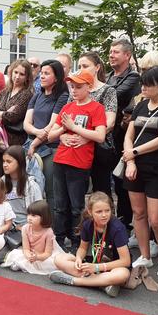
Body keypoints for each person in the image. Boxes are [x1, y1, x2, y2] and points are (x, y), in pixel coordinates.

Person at [122, 66, 158, 276]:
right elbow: (129, 134)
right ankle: (145, 255)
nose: (143, 87)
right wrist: (131, 160)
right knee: (139, 214)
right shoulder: (141, 105)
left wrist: (134, 152)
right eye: (142, 83)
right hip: (135, 166)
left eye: (148, 84)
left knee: (157, 219)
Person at [48, 70, 107, 249]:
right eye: (72, 86)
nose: (74, 90)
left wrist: (74, 128)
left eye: (78, 87)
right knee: (60, 205)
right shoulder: (68, 107)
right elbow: (51, 135)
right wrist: (63, 133)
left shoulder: (96, 108)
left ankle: (77, 241)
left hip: (79, 163)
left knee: (76, 206)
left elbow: (100, 136)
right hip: (61, 159)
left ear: (89, 87)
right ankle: (58, 239)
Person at [49, 192, 131, 297]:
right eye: (99, 212)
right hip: (92, 263)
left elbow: (126, 261)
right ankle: (102, 284)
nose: (104, 215)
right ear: (90, 212)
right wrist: (78, 258)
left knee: (122, 275)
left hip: (113, 266)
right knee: (59, 259)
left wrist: (97, 268)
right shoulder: (87, 224)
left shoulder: (117, 228)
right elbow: (83, 248)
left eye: (107, 210)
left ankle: (74, 281)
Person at [24, 59, 70, 208]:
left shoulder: (62, 96)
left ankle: (54, 228)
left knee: (51, 191)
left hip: (50, 148)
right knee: (31, 188)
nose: (42, 76)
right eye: (41, 73)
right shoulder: (37, 95)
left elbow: (52, 125)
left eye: (46, 73)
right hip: (32, 144)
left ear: (56, 77)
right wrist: (37, 134)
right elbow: (26, 124)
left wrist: (36, 142)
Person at [107, 39, 141, 230]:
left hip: (124, 137)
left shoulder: (133, 77)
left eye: (116, 52)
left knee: (122, 182)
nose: (111, 55)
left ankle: (125, 221)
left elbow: (114, 96)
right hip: (109, 137)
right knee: (109, 180)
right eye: (110, 52)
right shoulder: (110, 76)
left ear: (127, 55)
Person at [76, 51, 118, 197]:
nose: (81, 69)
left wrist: (88, 137)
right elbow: (67, 116)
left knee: (102, 191)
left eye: (86, 66)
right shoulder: (75, 90)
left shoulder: (108, 90)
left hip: (99, 148)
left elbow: (110, 122)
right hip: (77, 147)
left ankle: (106, 219)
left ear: (97, 67)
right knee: (77, 192)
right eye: (80, 66)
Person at [0, 59, 34, 176]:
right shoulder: (5, 91)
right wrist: (3, 113)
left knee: (10, 177)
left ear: (27, 77)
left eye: (22, 74)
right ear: (11, 72)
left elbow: (12, 117)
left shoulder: (27, 94)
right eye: (15, 72)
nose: (17, 77)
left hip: (14, 142)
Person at [1, 199, 63, 274]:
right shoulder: (25, 228)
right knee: (15, 255)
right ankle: (25, 264)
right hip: (31, 252)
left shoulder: (48, 232)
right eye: (28, 214)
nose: (29, 218)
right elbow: (26, 248)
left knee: (52, 263)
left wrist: (37, 257)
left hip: (44, 256)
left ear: (44, 217)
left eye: (33, 215)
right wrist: (28, 255)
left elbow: (47, 253)